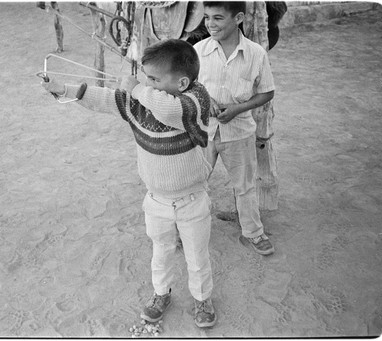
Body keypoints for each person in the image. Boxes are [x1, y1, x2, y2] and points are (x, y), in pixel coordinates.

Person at [41, 39, 217, 328]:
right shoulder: (142, 102)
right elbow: (104, 99)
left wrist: (136, 88)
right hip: (156, 200)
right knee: (161, 251)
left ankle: (202, 298)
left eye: (154, 79)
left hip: (192, 200)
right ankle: (162, 294)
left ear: (183, 82)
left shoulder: (195, 100)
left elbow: (169, 110)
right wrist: (63, 89)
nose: (146, 84)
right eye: (146, 78)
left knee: (197, 256)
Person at [194, 1, 275, 256]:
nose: (210, 24)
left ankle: (252, 232)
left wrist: (238, 109)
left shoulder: (255, 53)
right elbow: (187, 86)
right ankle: (184, 229)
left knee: (245, 185)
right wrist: (204, 102)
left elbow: (266, 92)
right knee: (193, 183)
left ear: (238, 18)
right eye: (207, 17)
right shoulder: (197, 51)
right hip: (202, 131)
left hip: (239, 132)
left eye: (218, 18)